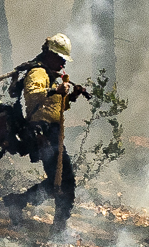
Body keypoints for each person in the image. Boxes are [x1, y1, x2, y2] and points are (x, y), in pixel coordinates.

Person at [6, 33, 88, 235]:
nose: (62, 64)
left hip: (51, 132)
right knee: (64, 181)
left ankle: (19, 202)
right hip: (40, 133)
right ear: (49, 54)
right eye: (60, 59)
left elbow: (55, 108)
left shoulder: (51, 75)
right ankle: (58, 229)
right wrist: (56, 90)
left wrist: (72, 96)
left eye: (64, 60)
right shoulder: (37, 72)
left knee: (57, 181)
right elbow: (34, 94)